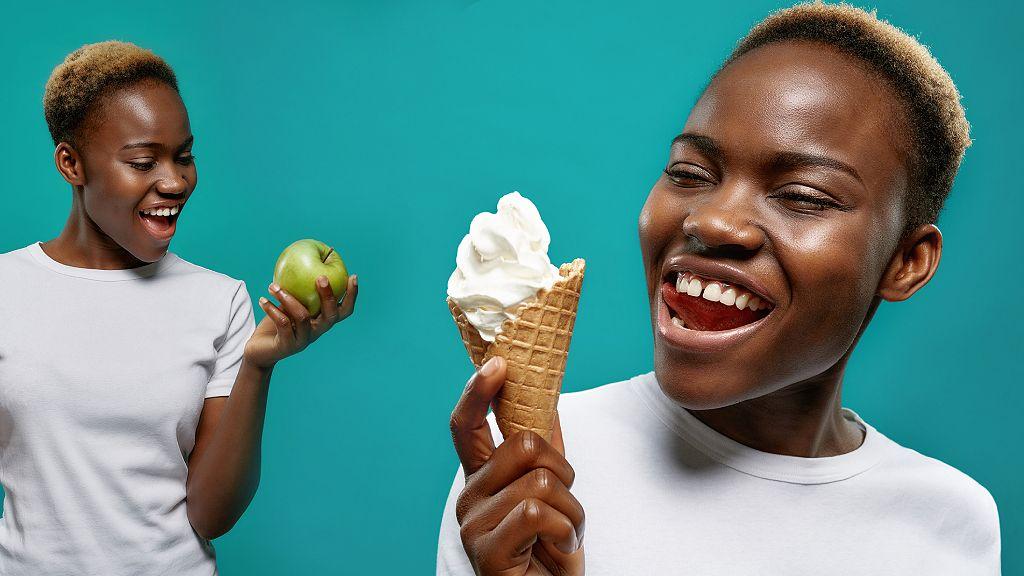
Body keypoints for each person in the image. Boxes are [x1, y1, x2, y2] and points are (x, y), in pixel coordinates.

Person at [438, 4, 1000, 575]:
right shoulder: (527, 472)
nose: (712, 222)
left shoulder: (947, 522)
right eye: (689, 173)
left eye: (803, 196)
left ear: (907, 261)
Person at [0, 41, 357, 574]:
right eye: (144, 162)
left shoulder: (220, 300)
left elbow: (210, 515)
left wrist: (258, 366)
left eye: (184, 156)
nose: (174, 182)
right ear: (71, 163)